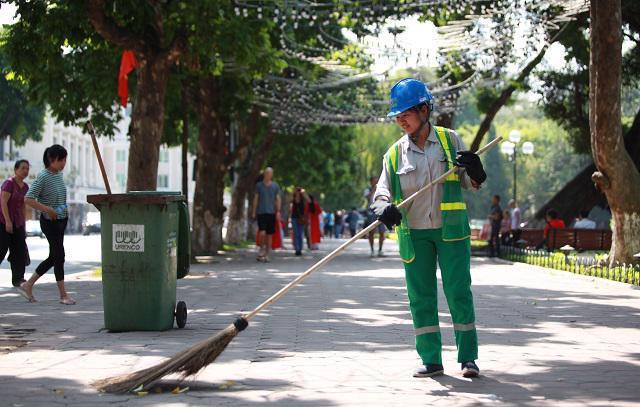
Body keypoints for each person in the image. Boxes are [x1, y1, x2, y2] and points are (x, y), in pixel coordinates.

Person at [372, 78, 486, 378]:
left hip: (451, 232)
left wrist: (476, 170)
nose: (400, 120)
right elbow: (382, 191)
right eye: (397, 116)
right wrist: (382, 207)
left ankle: (468, 358)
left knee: (458, 292)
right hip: (414, 233)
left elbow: (470, 183)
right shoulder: (394, 154)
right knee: (420, 295)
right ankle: (431, 359)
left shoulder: (450, 141)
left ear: (424, 109)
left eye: (405, 113)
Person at [20, 145, 75, 305]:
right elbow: (28, 199)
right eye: (61, 159)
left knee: (54, 257)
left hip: (61, 221)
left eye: (65, 159)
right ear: (52, 160)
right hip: (49, 222)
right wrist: (47, 209)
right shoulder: (43, 176)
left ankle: (28, 284)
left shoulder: (59, 175)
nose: (64, 162)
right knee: (59, 256)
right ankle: (63, 295)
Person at [1, 160, 30, 289]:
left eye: (27, 168)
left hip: (18, 223)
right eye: (23, 168)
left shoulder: (25, 187)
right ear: (16, 170)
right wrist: (7, 221)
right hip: (3, 221)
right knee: (1, 249)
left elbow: (23, 206)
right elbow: (3, 203)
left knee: (19, 251)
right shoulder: (8, 183)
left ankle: (18, 279)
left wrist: (24, 224)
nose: (25, 171)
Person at [252, 167, 281, 262]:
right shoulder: (259, 186)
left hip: (271, 213)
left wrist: (278, 211)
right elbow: (256, 198)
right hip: (261, 212)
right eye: (267, 173)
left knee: (269, 234)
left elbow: (278, 199)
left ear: (272, 175)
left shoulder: (275, 186)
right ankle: (261, 249)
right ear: (264, 174)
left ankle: (268, 252)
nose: (268, 175)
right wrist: (253, 211)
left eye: (270, 173)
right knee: (262, 232)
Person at [364, 176, 386, 257]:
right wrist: (373, 190)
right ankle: (372, 250)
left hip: (381, 211)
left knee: (382, 231)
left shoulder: (381, 189)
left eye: (377, 181)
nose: (376, 183)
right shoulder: (368, 190)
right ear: (371, 182)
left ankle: (380, 250)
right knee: (371, 232)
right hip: (371, 212)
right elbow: (367, 198)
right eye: (374, 181)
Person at [290, 187, 310, 256]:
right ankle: (297, 249)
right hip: (294, 217)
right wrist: (294, 193)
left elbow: (309, 201)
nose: (298, 191)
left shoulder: (303, 198)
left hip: (301, 218)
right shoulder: (293, 197)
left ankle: (300, 249)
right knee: (296, 233)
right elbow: (291, 200)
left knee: (300, 233)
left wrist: (304, 193)